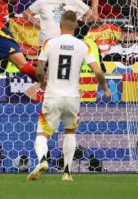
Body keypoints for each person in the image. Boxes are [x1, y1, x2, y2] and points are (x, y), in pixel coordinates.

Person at [28, 10, 111, 182]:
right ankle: (67, 172)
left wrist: (42, 83)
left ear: (60, 25)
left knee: (43, 133)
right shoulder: (84, 46)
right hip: (73, 97)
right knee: (70, 131)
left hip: (53, 95)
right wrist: (105, 88)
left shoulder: (49, 43)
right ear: (76, 25)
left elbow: (38, 69)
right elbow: (98, 71)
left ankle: (43, 161)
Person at [23, 0, 94, 45]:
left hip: (67, 43)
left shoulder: (73, 0)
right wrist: (40, 25)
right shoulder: (42, 1)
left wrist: (79, 28)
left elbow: (89, 13)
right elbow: (26, 13)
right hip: (47, 41)